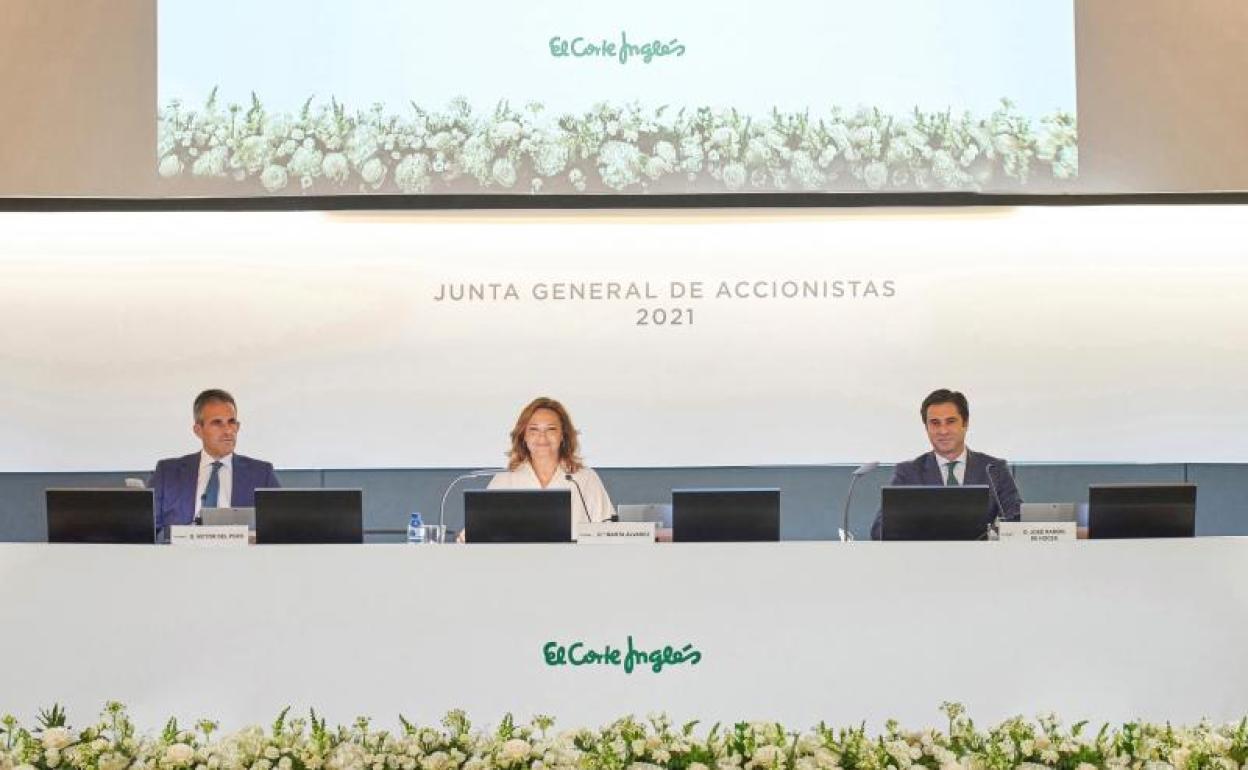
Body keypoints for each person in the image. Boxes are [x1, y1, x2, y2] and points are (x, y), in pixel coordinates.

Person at [871, 388, 1022, 539]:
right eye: (935, 423)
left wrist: (994, 534)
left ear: (965, 423)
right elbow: (879, 530)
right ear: (926, 428)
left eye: (950, 422)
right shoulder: (908, 473)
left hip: (981, 553)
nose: (943, 431)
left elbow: (1017, 520)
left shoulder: (994, 469)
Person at [150, 389, 280, 538]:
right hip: (181, 551)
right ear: (198, 430)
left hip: (240, 552)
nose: (228, 431)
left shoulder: (262, 474)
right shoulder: (168, 473)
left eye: (232, 422)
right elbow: (147, 529)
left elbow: (279, 528)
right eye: (217, 423)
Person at [487, 396, 615, 528]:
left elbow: (609, 530)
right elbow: (483, 531)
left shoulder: (585, 478)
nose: (542, 437)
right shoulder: (504, 480)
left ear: (563, 435)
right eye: (534, 429)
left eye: (551, 429)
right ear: (523, 435)